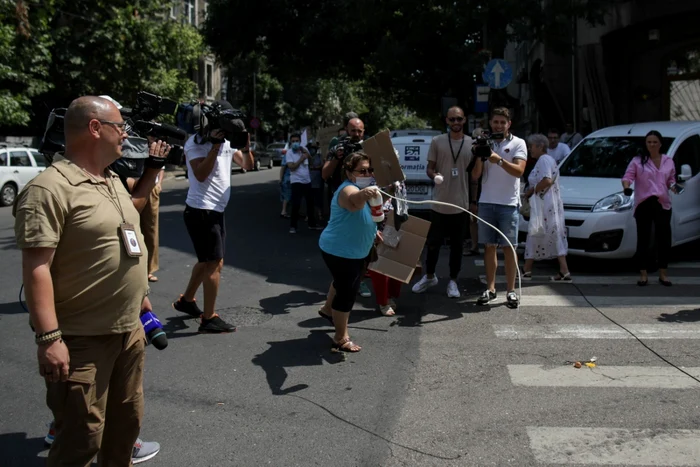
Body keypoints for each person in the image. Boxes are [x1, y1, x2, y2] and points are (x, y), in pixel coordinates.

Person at [14, 96, 164, 466]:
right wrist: (49, 339)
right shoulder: (49, 189)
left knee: (124, 428)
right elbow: (37, 269)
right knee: (81, 439)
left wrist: (141, 296)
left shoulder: (110, 180)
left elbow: (125, 237)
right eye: (119, 127)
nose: (125, 134)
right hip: (81, 340)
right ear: (95, 129)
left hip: (128, 331)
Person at [172, 100, 253, 333]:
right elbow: (199, 174)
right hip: (201, 210)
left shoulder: (227, 142)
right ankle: (209, 318)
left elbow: (247, 165)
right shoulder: (194, 144)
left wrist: (245, 147)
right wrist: (215, 147)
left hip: (215, 211)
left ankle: (186, 301)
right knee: (215, 263)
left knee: (206, 261)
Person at [317, 152, 381, 352]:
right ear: (348, 172)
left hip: (358, 249)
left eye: (370, 170)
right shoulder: (348, 190)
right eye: (362, 171)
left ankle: (328, 310)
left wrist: (374, 231)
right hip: (339, 251)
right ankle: (340, 338)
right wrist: (366, 193)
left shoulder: (366, 189)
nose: (367, 173)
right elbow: (356, 203)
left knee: (342, 281)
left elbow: (366, 216)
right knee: (347, 291)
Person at [412, 106, 473, 298]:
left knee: (457, 247)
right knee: (433, 244)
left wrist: (474, 202)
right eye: (452, 119)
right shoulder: (437, 141)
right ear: (447, 121)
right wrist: (434, 174)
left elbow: (475, 176)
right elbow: (429, 168)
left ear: (464, 121)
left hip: (460, 204)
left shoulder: (471, 144)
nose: (456, 123)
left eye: (459, 119)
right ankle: (429, 276)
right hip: (439, 203)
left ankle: (453, 281)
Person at [471, 107, 527, 308]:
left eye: (503, 122)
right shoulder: (485, 142)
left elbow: (519, 171)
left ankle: (510, 291)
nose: (499, 125)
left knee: (509, 248)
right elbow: (475, 175)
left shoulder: (518, 143)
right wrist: (480, 154)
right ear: (490, 123)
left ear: (509, 124)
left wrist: (500, 160)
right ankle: (491, 288)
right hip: (487, 202)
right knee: (489, 246)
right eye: (495, 122)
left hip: (508, 204)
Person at [622, 130, 678, 286]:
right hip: (644, 203)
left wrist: (676, 187)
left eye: (655, 142)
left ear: (660, 143)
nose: (652, 145)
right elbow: (628, 177)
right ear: (645, 144)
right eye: (649, 142)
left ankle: (663, 274)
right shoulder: (638, 161)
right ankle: (643, 274)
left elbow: (671, 180)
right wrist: (626, 187)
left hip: (663, 203)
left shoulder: (668, 161)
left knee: (664, 239)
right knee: (644, 239)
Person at [522, 134, 571, 281]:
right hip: (549, 203)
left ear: (540, 146)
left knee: (536, 232)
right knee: (550, 233)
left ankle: (527, 269)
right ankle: (563, 269)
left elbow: (547, 180)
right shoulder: (548, 160)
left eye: (532, 146)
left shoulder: (543, 160)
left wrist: (531, 190)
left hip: (543, 204)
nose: (530, 149)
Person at [285, 132, 321, 233]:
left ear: (300, 142)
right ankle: (293, 226)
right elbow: (291, 167)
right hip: (296, 181)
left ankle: (312, 224)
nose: (295, 143)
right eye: (293, 141)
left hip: (307, 180)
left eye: (297, 141)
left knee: (310, 203)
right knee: (296, 204)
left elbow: (311, 162)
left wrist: (306, 154)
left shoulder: (304, 150)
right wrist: (301, 159)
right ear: (290, 143)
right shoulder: (289, 153)